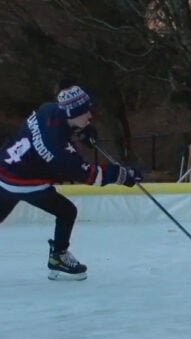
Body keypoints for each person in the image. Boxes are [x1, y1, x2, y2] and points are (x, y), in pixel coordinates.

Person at [0, 85, 143, 280]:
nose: (90, 115)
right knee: (67, 211)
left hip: (5, 169)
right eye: (86, 112)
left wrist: (82, 129)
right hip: (23, 181)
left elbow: (55, 129)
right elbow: (89, 176)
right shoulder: (59, 150)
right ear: (73, 113)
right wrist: (123, 175)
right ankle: (58, 257)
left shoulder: (49, 109)